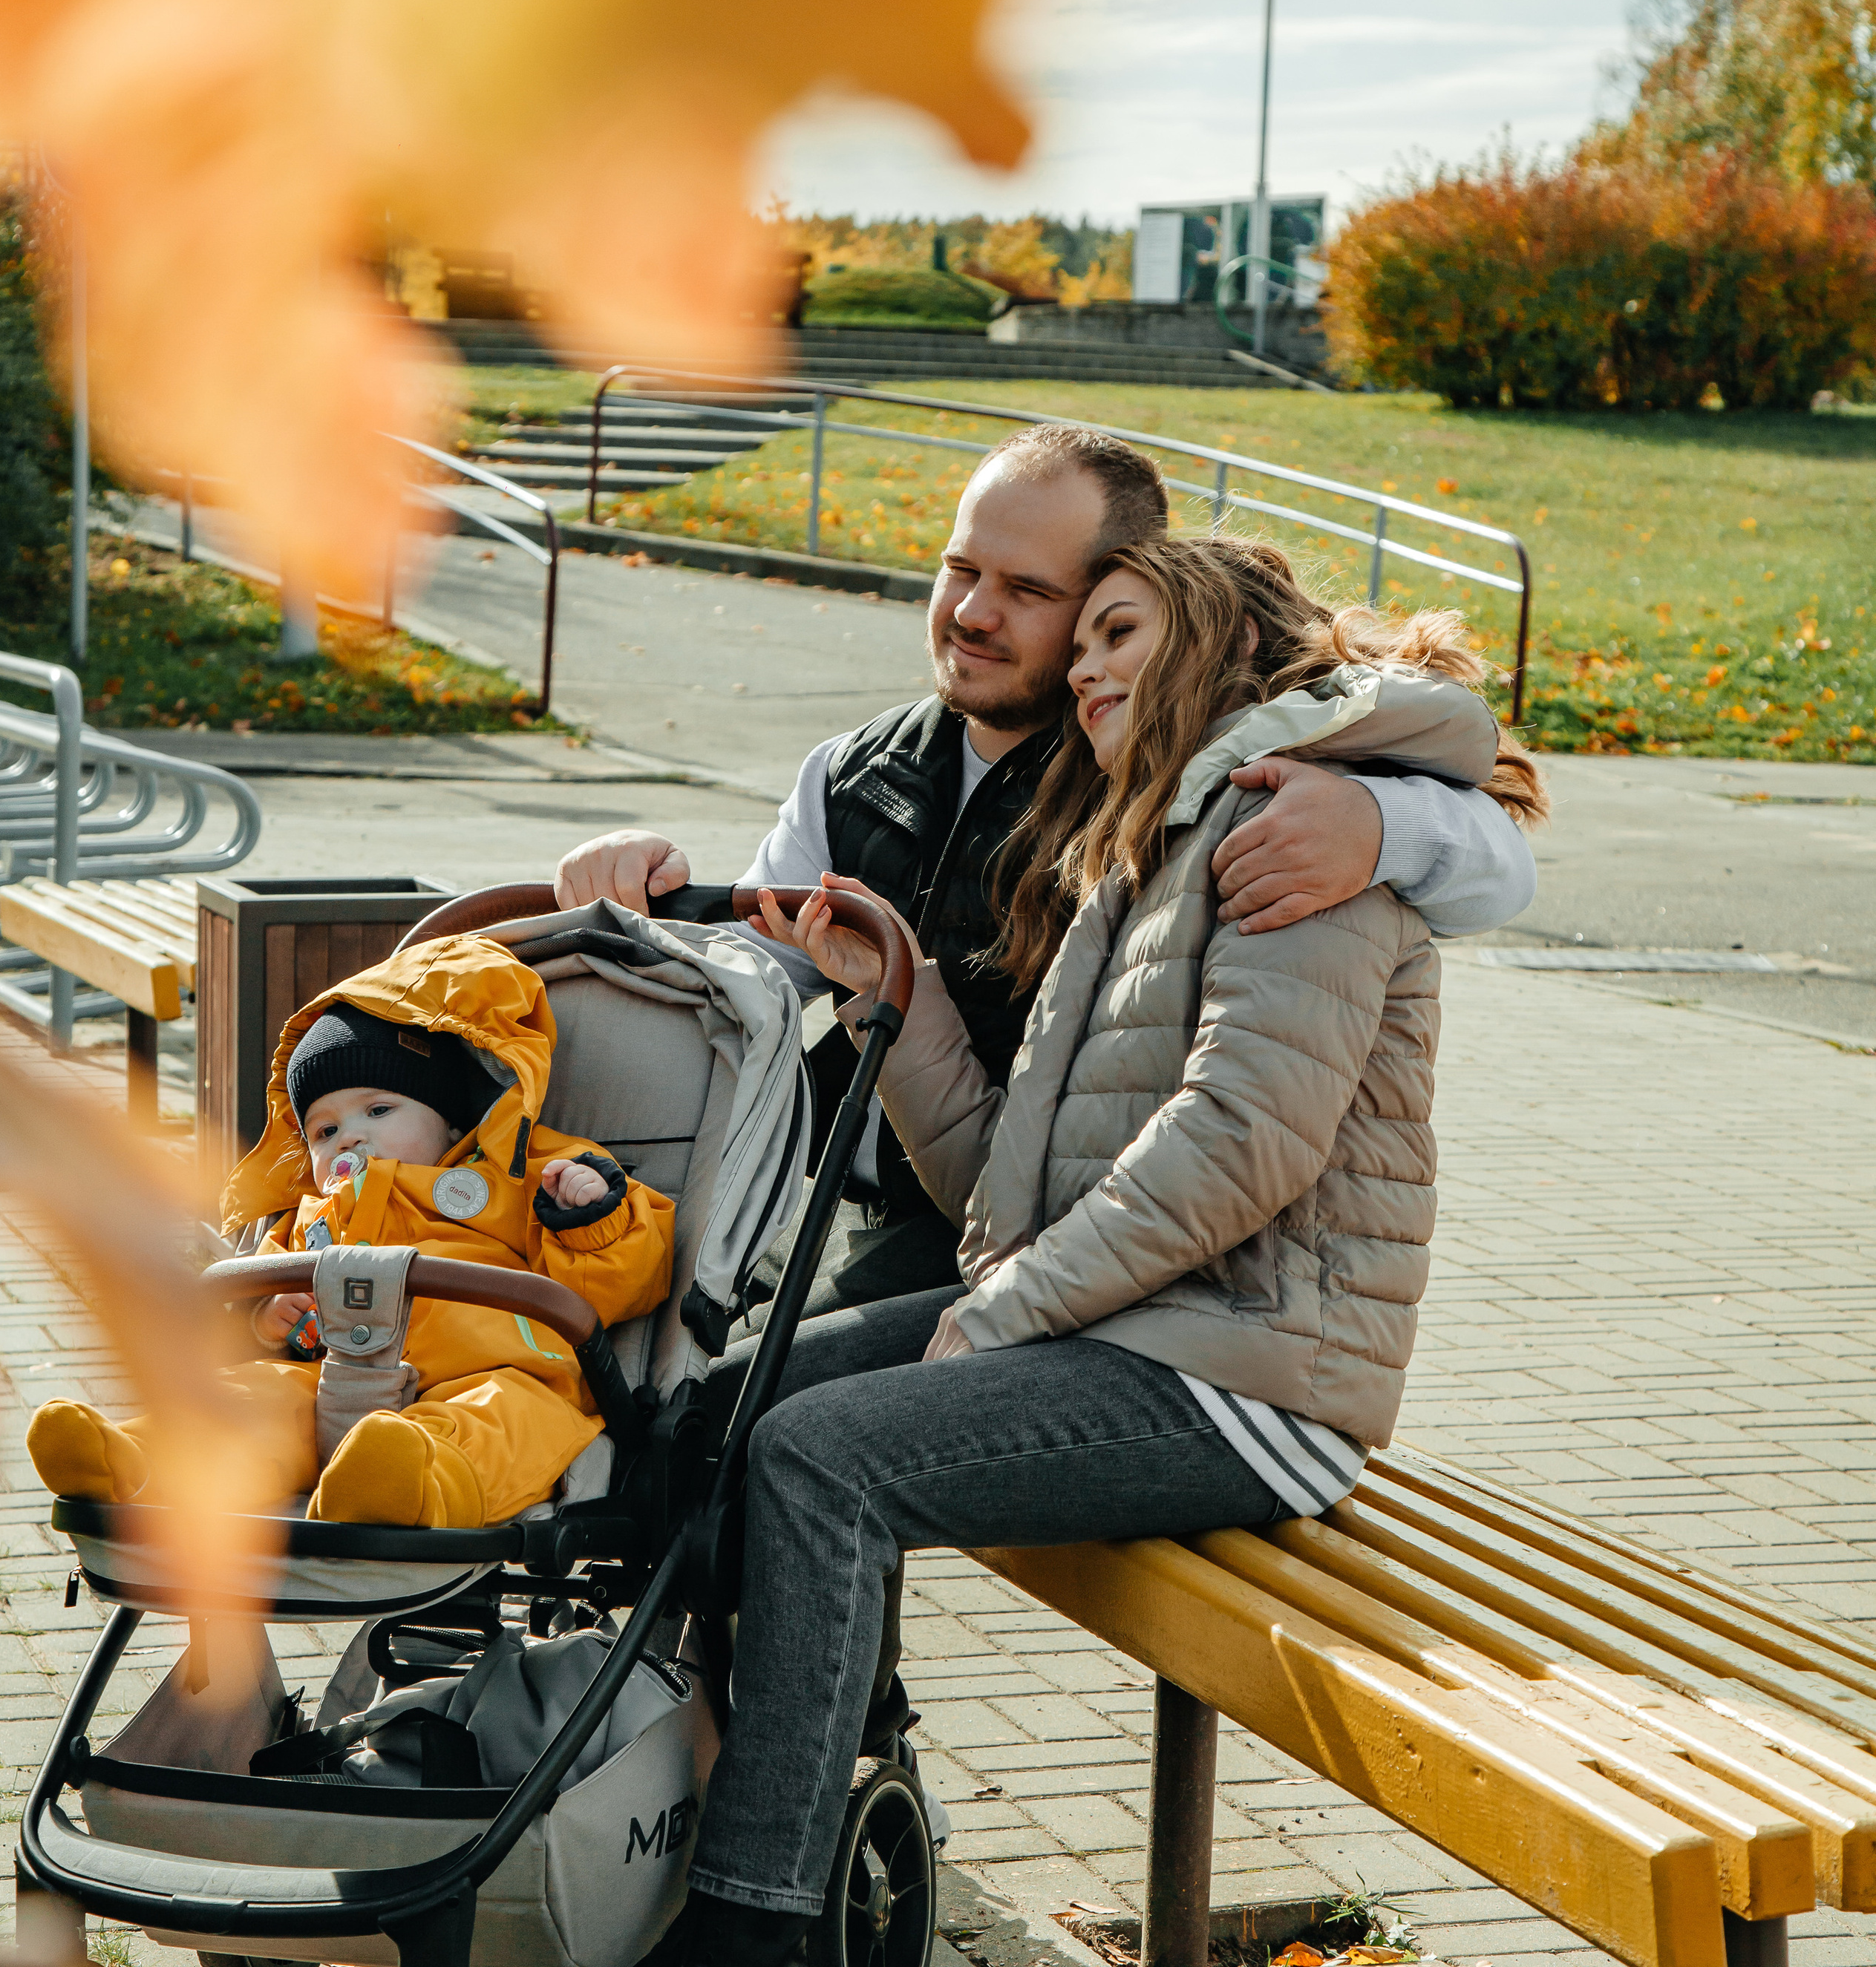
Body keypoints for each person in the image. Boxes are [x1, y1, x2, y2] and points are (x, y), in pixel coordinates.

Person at [601, 533, 1547, 1967]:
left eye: (1119, 635)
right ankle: (743, 1945)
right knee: (745, 1406)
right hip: (1149, 1332)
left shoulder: (1280, 832)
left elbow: (1239, 1145)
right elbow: (993, 1193)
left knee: (823, 1459)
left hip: (1257, 1382)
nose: (1086, 671)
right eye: (1081, 640)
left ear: (1218, 646)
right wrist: (896, 1005)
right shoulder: (1139, 852)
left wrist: (1017, 1306)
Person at [555, 422, 1537, 1309]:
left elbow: (1497, 868)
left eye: (1027, 590)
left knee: (731, 1427)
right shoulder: (856, 769)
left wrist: (1375, 819)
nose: (973, 612)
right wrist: (636, 906)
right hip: (819, 1201)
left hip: (1016, 1245)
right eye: (960, 569)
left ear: (1118, 601)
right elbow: (762, 968)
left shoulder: (1148, 769)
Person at [25, 937, 674, 1527]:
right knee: (253, 1400)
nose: (351, 1136)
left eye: (380, 1109)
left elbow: (617, 1285)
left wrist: (590, 1218)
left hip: (490, 1373)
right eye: (324, 1130)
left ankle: (415, 1483)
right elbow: (249, 1312)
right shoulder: (310, 1213)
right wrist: (262, 1318)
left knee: (508, 1422)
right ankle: (137, 1463)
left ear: (450, 1122)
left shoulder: (516, 1174)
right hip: (327, 1383)